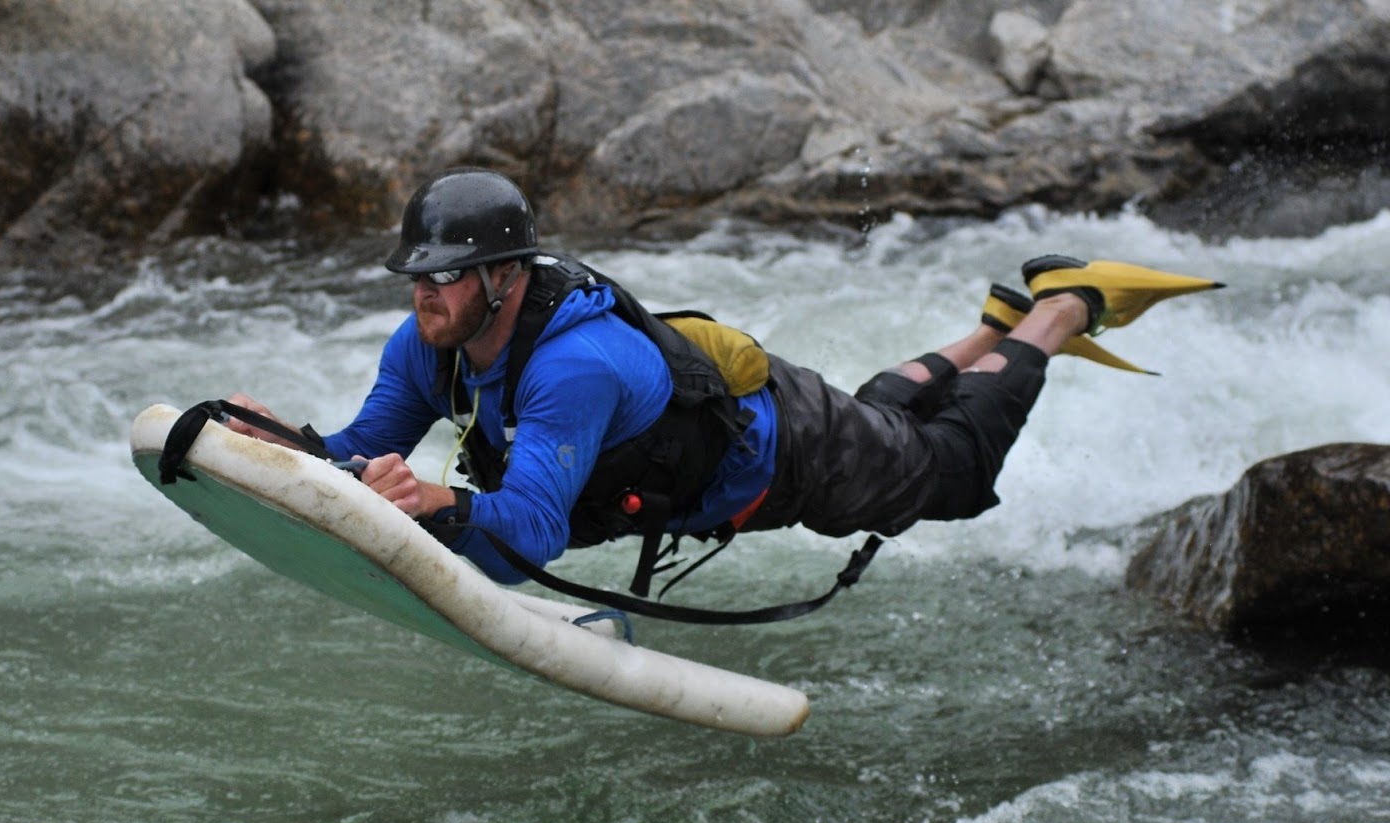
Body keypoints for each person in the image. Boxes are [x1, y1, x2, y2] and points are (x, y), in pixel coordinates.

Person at [225, 167, 1220, 588]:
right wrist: (298, 450)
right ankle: (988, 329)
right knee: (884, 414)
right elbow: (365, 448)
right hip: (754, 423)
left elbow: (528, 529)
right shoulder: (428, 343)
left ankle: (1060, 307)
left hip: (790, 450)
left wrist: (437, 501)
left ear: (503, 275)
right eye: (416, 276)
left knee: (947, 470)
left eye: (443, 276)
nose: (423, 296)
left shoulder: (569, 369)